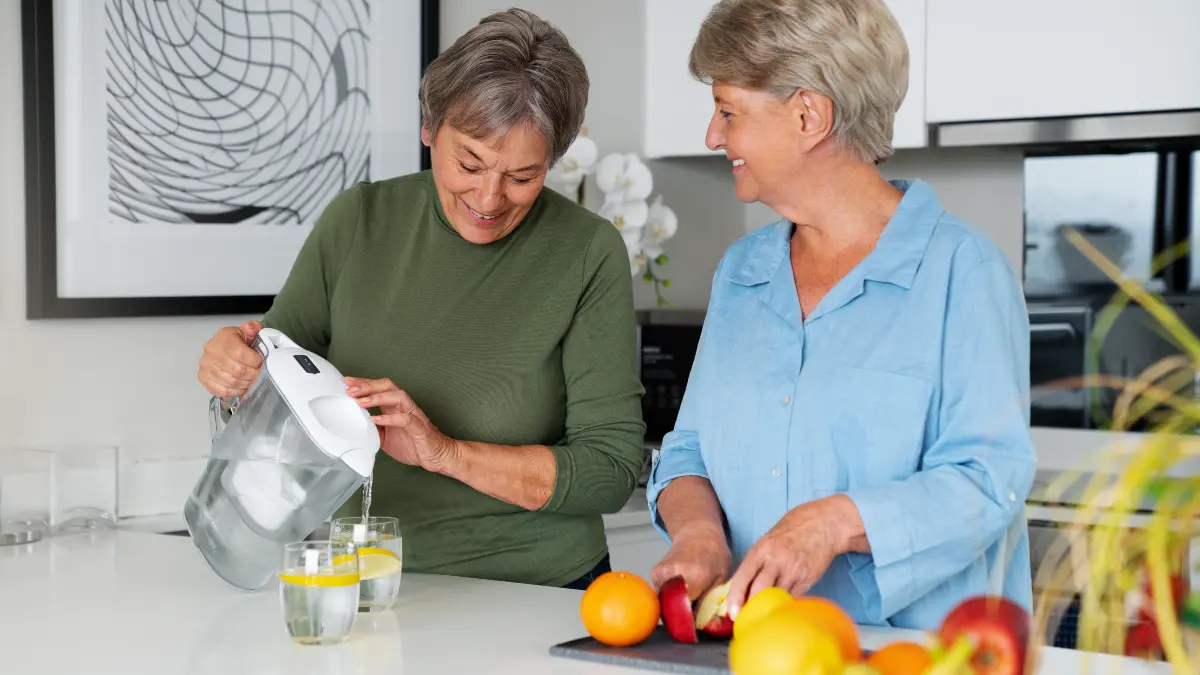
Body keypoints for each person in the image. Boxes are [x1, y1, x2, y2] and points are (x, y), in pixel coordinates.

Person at [197, 9, 646, 591]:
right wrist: (232, 368)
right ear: (429, 129)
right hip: (360, 584)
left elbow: (610, 472)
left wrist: (445, 453)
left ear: (553, 162)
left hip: (537, 590)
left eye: (523, 177)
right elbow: (274, 396)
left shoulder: (587, 251)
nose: (489, 197)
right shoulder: (358, 221)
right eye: (470, 163)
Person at [646, 0, 1036, 630]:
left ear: (809, 116)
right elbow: (689, 449)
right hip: (755, 650)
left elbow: (989, 481)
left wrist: (831, 523)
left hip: (914, 659)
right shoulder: (742, 272)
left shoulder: (964, 273)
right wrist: (699, 534)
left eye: (728, 112)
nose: (713, 136)